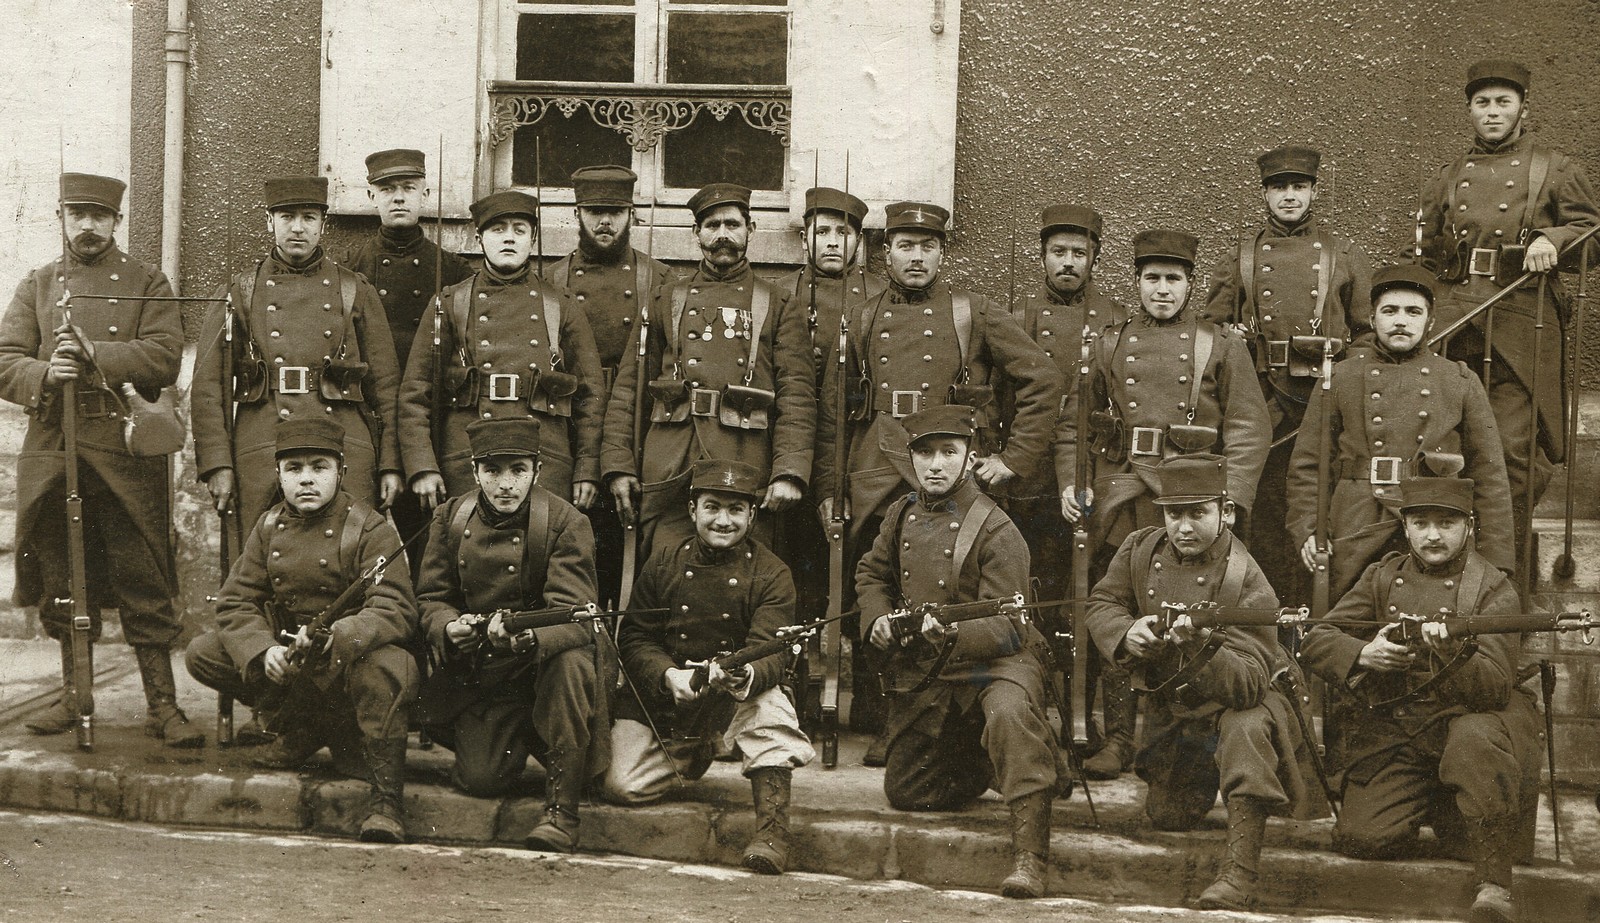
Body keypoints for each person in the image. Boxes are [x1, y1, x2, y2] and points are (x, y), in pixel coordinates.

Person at [813, 200, 1059, 755]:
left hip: (948, 461)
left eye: (927, 246)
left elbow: (1042, 378)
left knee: (950, 578)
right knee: (877, 574)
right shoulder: (865, 315)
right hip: (877, 461)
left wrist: (1012, 458)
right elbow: (835, 408)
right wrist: (833, 486)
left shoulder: (971, 312)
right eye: (905, 246)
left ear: (942, 252)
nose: (916, 257)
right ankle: (881, 711)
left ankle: (942, 709)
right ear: (886, 253)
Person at [1060, 228, 1271, 777]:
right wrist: (1076, 483)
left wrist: (1231, 500)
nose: (1161, 289)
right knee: (1124, 606)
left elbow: (1249, 425)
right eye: (1151, 278)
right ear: (1135, 282)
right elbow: (1075, 424)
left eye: (1172, 280)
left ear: (1190, 285)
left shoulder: (1217, 344)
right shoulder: (1108, 342)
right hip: (1125, 489)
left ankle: (1177, 724)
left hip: (1193, 492)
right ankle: (1118, 738)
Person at [0, 172, 197, 746]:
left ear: (116, 221)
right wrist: (43, 372)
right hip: (55, 445)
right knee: (63, 572)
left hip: (125, 446)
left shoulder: (147, 282)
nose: (88, 226)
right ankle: (73, 694)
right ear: (61, 216)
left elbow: (163, 359)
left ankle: (163, 706)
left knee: (142, 572)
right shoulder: (38, 284)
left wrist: (95, 356)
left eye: (100, 216)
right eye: (77, 213)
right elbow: (5, 357)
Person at [1084, 454, 1327, 910]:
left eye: (1199, 513)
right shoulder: (1139, 548)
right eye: (1175, 513)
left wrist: (1198, 648)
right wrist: (1125, 632)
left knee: (1245, 725)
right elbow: (1102, 602)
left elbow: (1250, 684)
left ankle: (1239, 872)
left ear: (1226, 512)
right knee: (1169, 816)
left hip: (1242, 704)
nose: (1184, 526)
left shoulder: (1245, 577)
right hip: (1179, 713)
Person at [1300, 475, 1541, 923]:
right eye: (1421, 522)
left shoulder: (1491, 588)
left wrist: (1451, 652)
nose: (1433, 535)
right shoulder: (1382, 576)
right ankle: (1436, 802)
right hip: (1402, 731)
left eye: (1446, 523)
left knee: (1475, 736)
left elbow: (1493, 688)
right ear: (1405, 527)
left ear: (1469, 527)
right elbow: (1318, 638)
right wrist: (1364, 653)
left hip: (1469, 727)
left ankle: (1494, 886)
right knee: (1363, 839)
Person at [857, 405, 1066, 899]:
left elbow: (1010, 623)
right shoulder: (901, 513)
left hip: (998, 660)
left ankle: (1030, 856)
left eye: (948, 453)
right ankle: (982, 764)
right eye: (924, 453)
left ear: (971, 458)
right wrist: (877, 618)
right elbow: (871, 574)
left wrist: (949, 633)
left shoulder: (995, 526)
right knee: (906, 792)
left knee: (1010, 715)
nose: (935, 465)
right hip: (936, 668)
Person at [185, 417, 420, 842]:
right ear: (278, 475)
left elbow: (396, 607)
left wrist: (341, 636)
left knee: (388, 665)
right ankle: (305, 728)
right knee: (205, 652)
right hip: (294, 661)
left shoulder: (370, 528)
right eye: (294, 469)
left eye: (319, 467)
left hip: (346, 665)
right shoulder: (270, 525)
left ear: (341, 472)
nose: (306, 479)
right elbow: (235, 600)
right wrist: (261, 650)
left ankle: (386, 802)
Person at [1414, 59, 1600, 565]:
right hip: (1455, 325)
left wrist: (1553, 239)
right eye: (1482, 103)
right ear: (1469, 109)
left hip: (1520, 324)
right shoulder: (1449, 176)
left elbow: (1591, 236)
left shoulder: (1555, 168)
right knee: (1443, 447)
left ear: (1522, 106)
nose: (1492, 112)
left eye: (1503, 102)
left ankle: (1503, 571)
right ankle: (1446, 565)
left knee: (1512, 454)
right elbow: (1427, 259)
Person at [603, 459, 816, 876]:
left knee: (770, 704)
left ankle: (773, 833)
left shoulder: (772, 572)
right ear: (692, 510)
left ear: (752, 515)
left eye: (736, 510)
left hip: (732, 697)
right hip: (669, 696)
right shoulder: (662, 562)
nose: (723, 521)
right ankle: (691, 751)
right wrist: (669, 675)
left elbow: (771, 648)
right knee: (621, 786)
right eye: (713, 507)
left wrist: (741, 674)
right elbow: (635, 637)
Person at [415, 418, 608, 853]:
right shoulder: (450, 516)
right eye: (493, 471)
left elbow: (574, 615)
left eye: (518, 470)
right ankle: (519, 736)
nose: (506, 484)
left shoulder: (565, 522)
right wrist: (449, 626)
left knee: (570, 662)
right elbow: (429, 598)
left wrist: (523, 637)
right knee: (482, 780)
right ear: (474, 470)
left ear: (537, 470)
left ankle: (563, 812)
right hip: (489, 674)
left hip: (543, 666)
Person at [601, 183, 814, 562]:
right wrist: (618, 465)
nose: (722, 236)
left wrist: (789, 471)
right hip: (672, 461)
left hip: (745, 458)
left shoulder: (779, 304)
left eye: (732, 225)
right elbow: (629, 388)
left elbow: (796, 394)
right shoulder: (665, 297)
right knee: (663, 569)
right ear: (696, 233)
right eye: (711, 225)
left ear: (751, 228)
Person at [192, 175, 405, 549]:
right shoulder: (238, 292)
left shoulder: (354, 289)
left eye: (308, 217)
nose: (297, 227)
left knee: (349, 549)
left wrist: (390, 464)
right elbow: (209, 388)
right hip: (263, 439)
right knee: (257, 552)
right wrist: (217, 464)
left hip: (343, 439)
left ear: (323, 224)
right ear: (269, 222)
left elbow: (386, 387)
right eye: (287, 216)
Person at [1205, 145, 1372, 604]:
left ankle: (1318, 615)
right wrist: (1232, 333)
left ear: (1314, 191)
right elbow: (1209, 330)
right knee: (1267, 507)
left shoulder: (1344, 255)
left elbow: (1366, 335)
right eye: (1279, 187)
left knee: (1319, 507)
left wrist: (1342, 366)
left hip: (1324, 400)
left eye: (1299, 187)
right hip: (1264, 402)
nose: (1290, 196)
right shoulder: (1241, 256)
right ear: (1265, 194)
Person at [1287, 263, 1513, 601]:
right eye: (1389, 310)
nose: (1401, 320)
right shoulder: (1340, 378)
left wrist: (1496, 556)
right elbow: (1307, 463)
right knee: (1348, 612)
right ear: (1373, 319)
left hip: (1431, 516)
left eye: (1413, 311)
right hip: (1356, 517)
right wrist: (1308, 528)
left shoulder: (1458, 380)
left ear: (1430, 321)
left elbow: (1489, 472)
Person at [998, 204, 1127, 776]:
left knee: (1087, 599)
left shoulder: (1117, 322)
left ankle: (1085, 715)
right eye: (1058, 253)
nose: (1068, 264)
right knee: (1035, 595)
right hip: (1026, 480)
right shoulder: (1017, 314)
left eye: (1079, 253)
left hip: (1085, 482)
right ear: (1042, 256)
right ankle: (1038, 712)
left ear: (1095, 257)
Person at [398, 189, 603, 515]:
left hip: (544, 460)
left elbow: (590, 398)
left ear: (532, 239)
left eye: (519, 230)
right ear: (479, 238)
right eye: (497, 229)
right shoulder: (449, 303)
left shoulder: (560, 306)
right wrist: (423, 465)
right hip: (468, 460)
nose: (509, 238)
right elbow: (415, 393)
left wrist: (587, 469)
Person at [334, 148, 472, 572]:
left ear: (425, 194)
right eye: (387, 189)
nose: (398, 198)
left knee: (428, 539)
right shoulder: (346, 273)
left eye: (408, 189)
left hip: (426, 423)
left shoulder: (452, 272)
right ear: (372, 196)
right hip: (367, 417)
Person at [547, 164, 671, 607]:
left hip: (632, 419)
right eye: (595, 211)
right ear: (576, 212)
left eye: (615, 212)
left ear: (632, 214)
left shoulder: (658, 280)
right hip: (573, 417)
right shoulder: (552, 280)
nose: (605, 222)